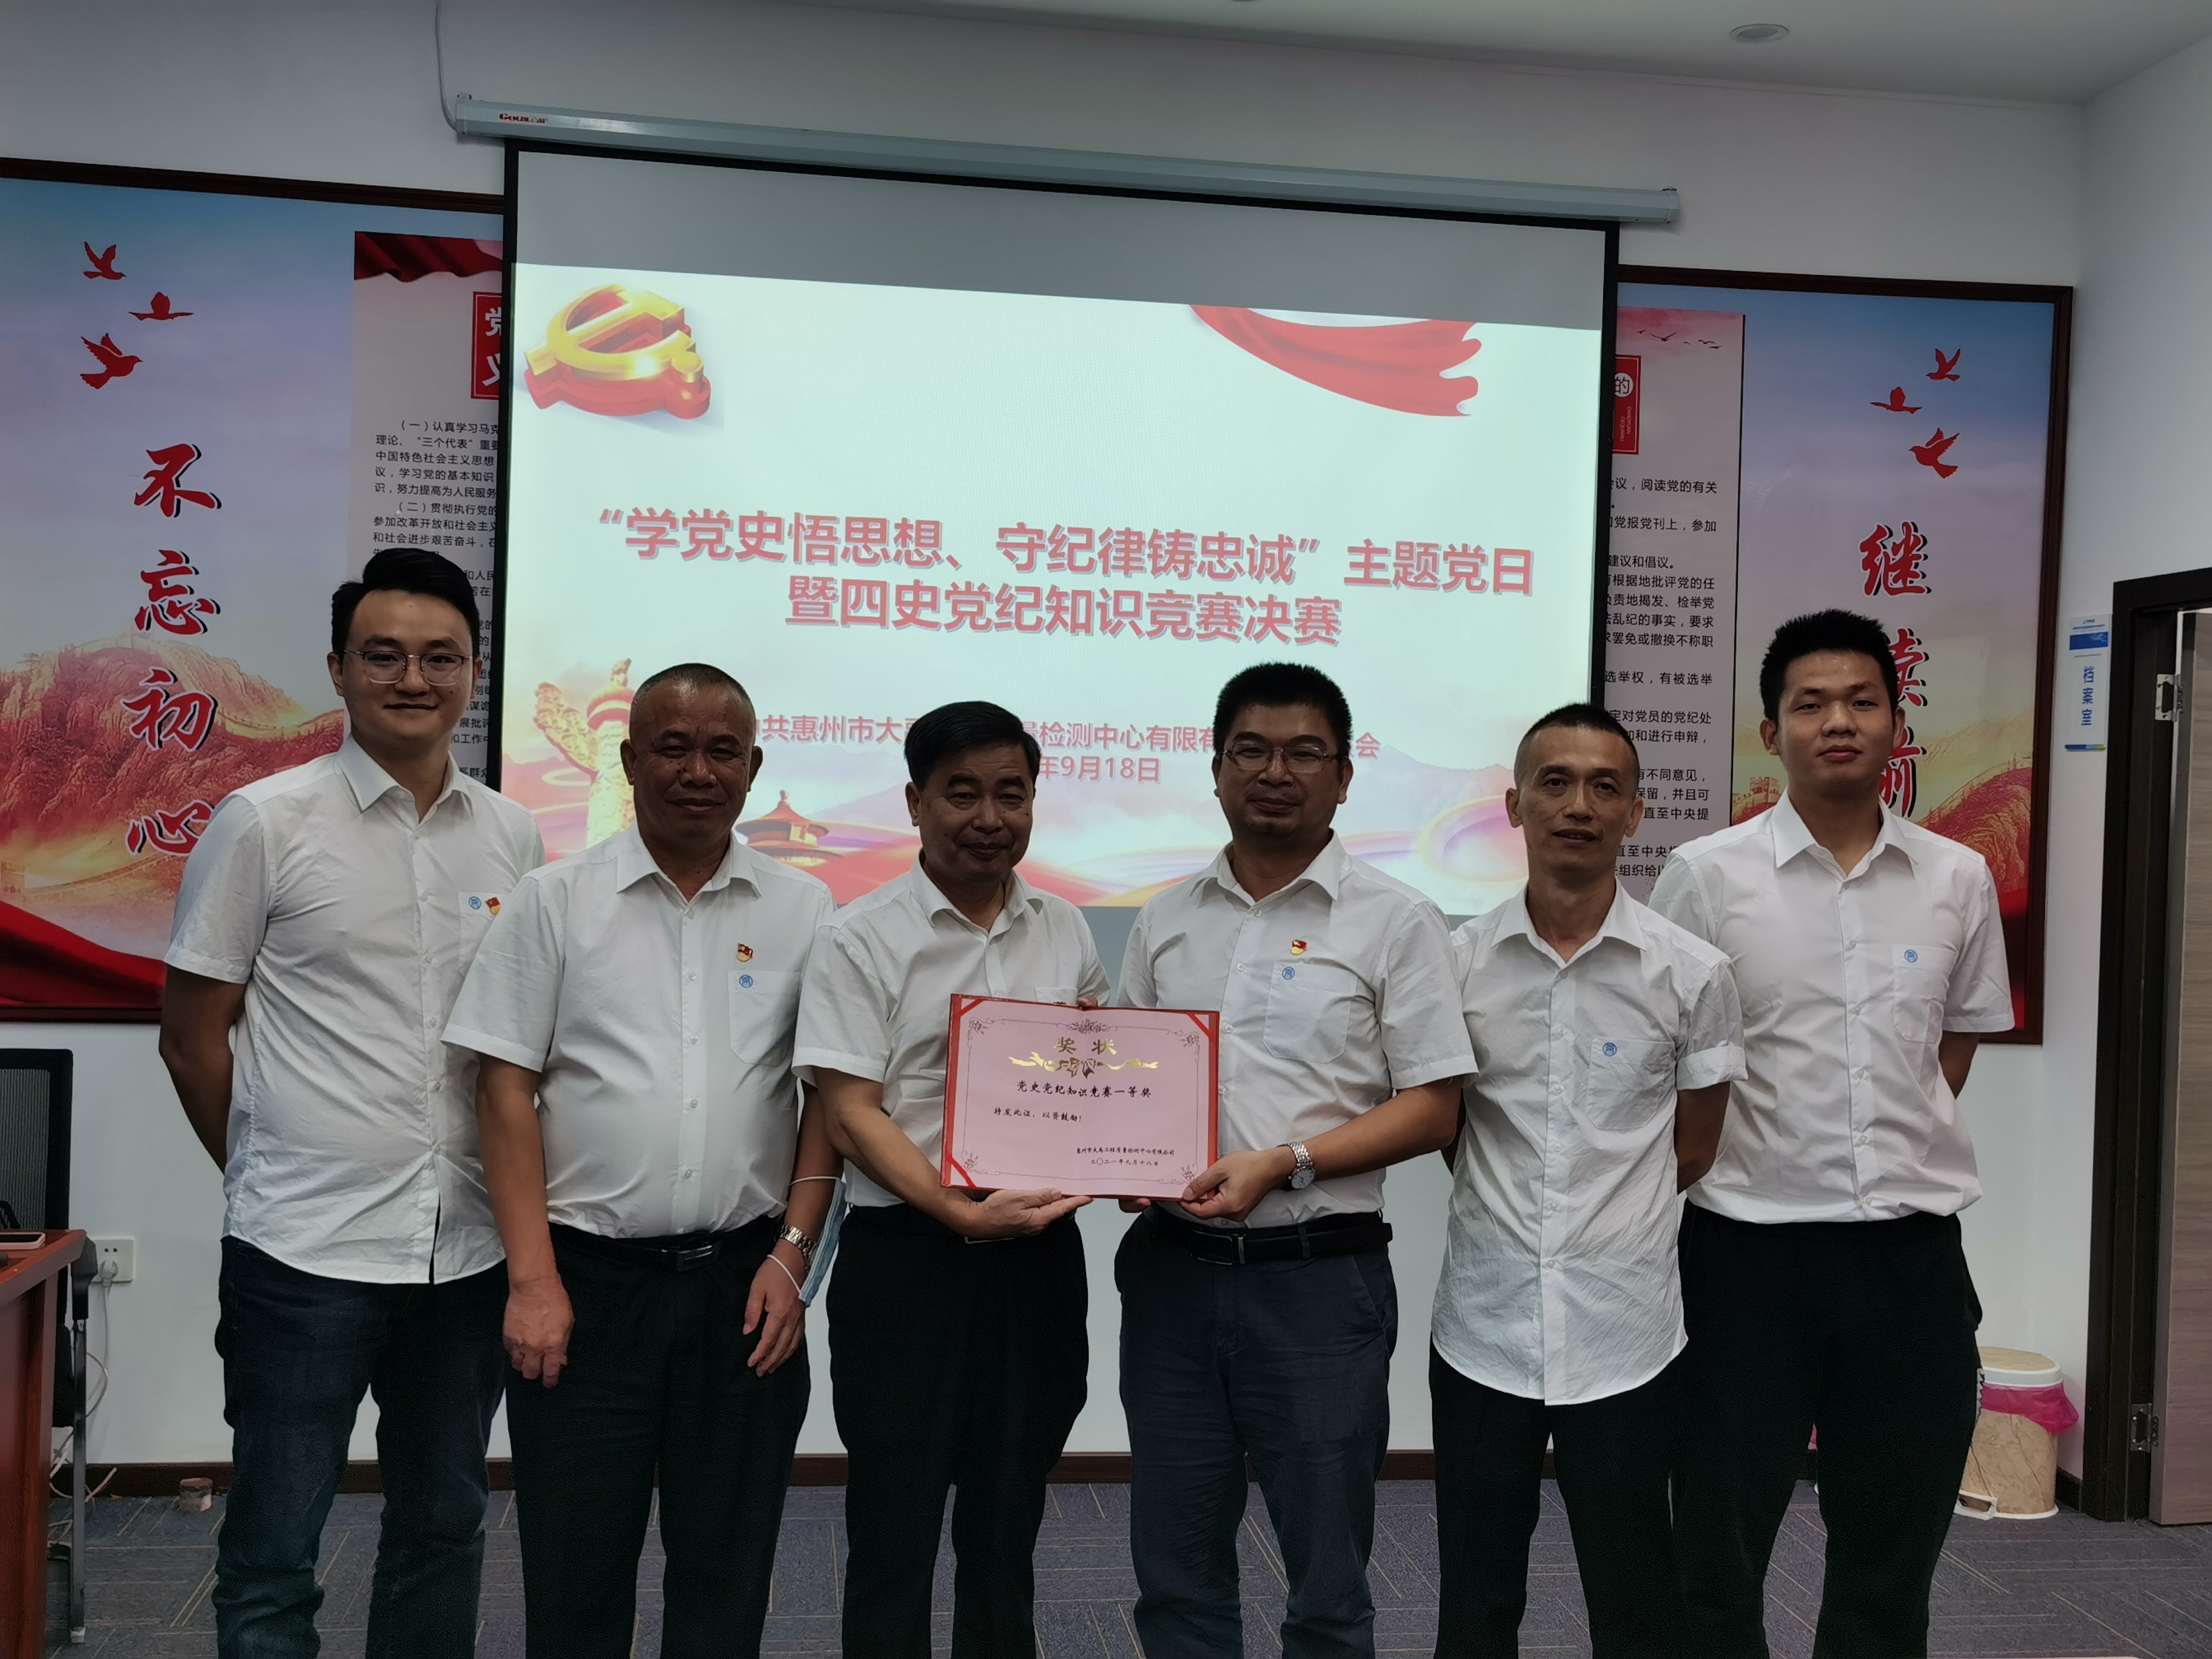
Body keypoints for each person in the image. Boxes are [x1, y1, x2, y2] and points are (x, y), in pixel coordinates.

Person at [158, 547, 541, 1659]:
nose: (412, 679)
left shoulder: (512, 836)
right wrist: (263, 1165)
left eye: (440, 657)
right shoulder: (263, 822)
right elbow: (192, 1038)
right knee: (276, 1550)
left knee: (444, 1527)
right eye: (384, 655)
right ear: (338, 669)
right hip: (302, 1253)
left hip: (463, 1254)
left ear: (474, 673)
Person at [441, 663, 837, 1659]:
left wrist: (794, 1258)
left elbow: (828, 1101)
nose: (698, 771)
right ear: (628, 761)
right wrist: (532, 1280)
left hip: (745, 1288)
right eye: (673, 748)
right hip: (587, 1289)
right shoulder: (555, 900)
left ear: (755, 767)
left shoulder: (806, 909)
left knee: (726, 1576)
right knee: (575, 1576)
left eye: (722, 751)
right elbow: (502, 1090)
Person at [1651, 609, 2013, 1657]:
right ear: (1772, 733)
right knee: (1716, 1546)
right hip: (1745, 1257)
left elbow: (1951, 1046)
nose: (1838, 722)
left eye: (1862, 701)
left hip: (1909, 1260)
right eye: (1810, 705)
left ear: (1898, 724)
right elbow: (1669, 1053)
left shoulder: (1956, 877)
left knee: (1891, 1553)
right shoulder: (1706, 875)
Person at [1113, 662, 1475, 1659]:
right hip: (1174, 1279)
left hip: (1319, 1288)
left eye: (1304, 753)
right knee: (1175, 1569)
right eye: (1252, 751)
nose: (1276, 773)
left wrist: (1288, 1161)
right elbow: (1130, 1082)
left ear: (1345, 776)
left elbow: (1434, 1107)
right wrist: (1116, 1157)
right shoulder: (1165, 918)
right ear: (1216, 768)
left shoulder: (1397, 919)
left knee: (1326, 1579)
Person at [794, 700, 1108, 1659]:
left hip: (1037, 1261)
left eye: (1011, 794)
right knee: (894, 1519)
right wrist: (953, 1210)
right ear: (915, 803)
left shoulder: (1065, 929)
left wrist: (1123, 1160)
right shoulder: (861, 936)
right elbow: (850, 1111)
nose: (989, 817)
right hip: (908, 1259)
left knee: (1009, 1517)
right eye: (961, 794)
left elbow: (1099, 1077)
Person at [1431, 703, 1741, 1659]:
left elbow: (1695, 1149)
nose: (1579, 806)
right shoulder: (1455, 965)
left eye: (1606, 787)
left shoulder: (1693, 973)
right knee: (1476, 1598)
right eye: (1555, 782)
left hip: (1626, 1334)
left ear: (1636, 812)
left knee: (1637, 1598)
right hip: (1484, 1328)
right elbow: (1450, 1129)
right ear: (1514, 804)